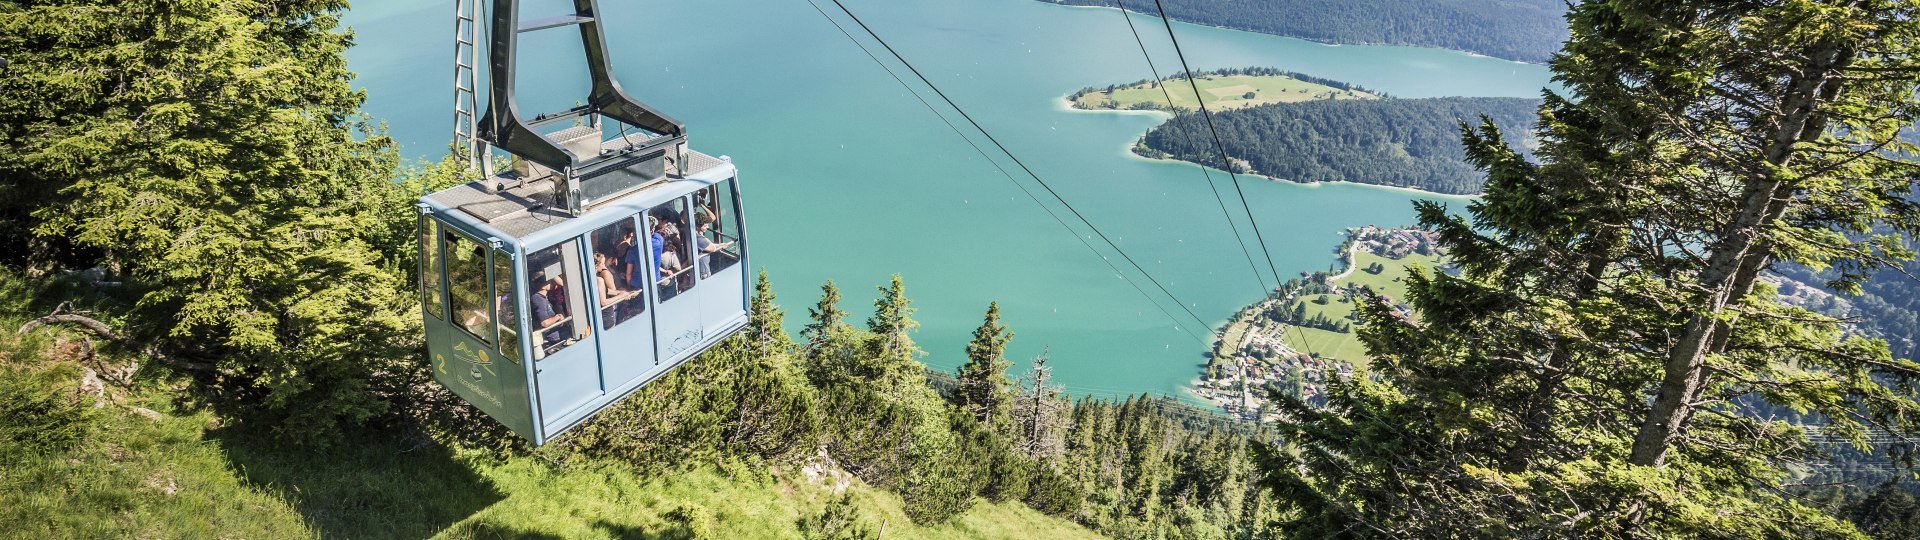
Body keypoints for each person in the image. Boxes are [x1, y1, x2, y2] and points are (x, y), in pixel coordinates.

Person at [529, 272, 566, 351]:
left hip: (558, 335)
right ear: (543, 285)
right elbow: (545, 323)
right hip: (553, 341)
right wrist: (558, 317)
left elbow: (562, 285)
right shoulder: (538, 300)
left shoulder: (544, 297)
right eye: (549, 281)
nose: (552, 283)